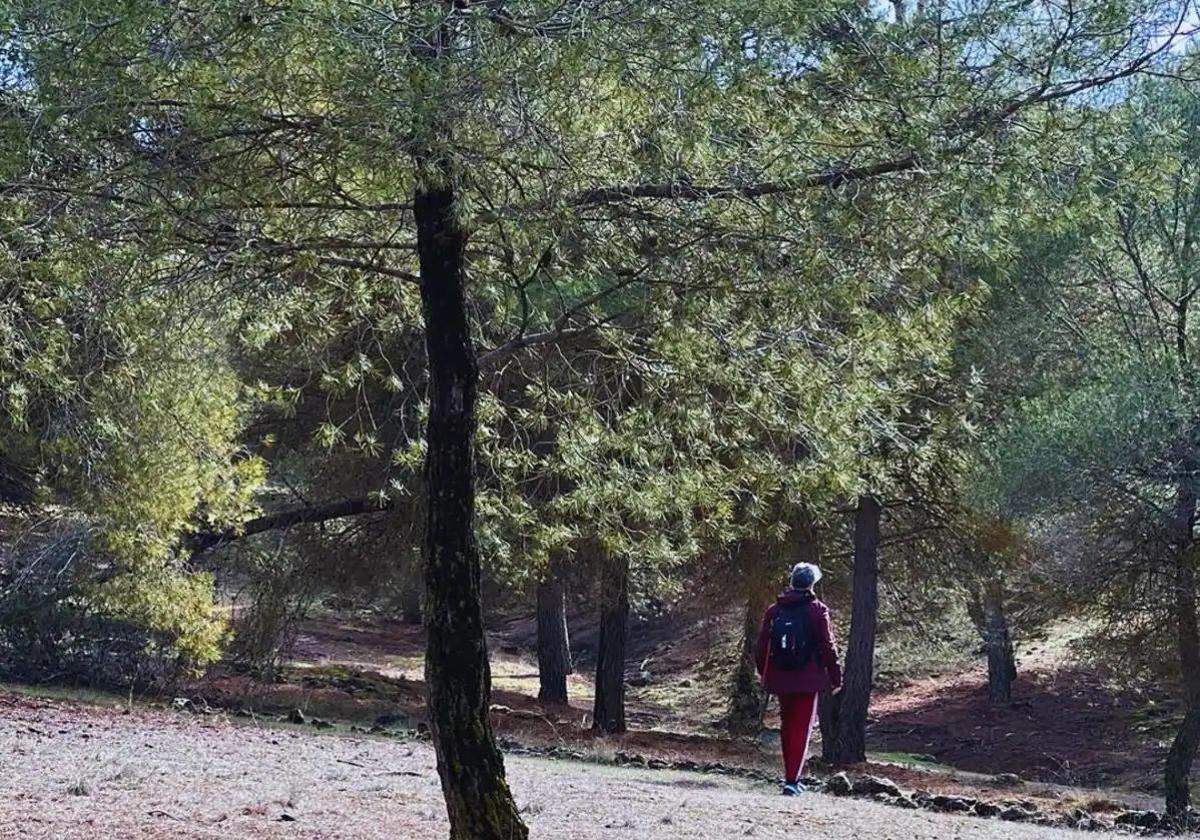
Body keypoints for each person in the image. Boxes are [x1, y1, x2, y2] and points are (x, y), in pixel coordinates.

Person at [754, 561, 842, 796]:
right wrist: (836, 678)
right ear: (812, 583)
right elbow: (828, 646)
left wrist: (764, 673)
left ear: (792, 581)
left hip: (781, 677)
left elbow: (762, 646)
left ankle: (790, 776)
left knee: (787, 725)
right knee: (801, 728)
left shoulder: (774, 610)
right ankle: (792, 781)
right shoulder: (817, 610)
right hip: (807, 678)